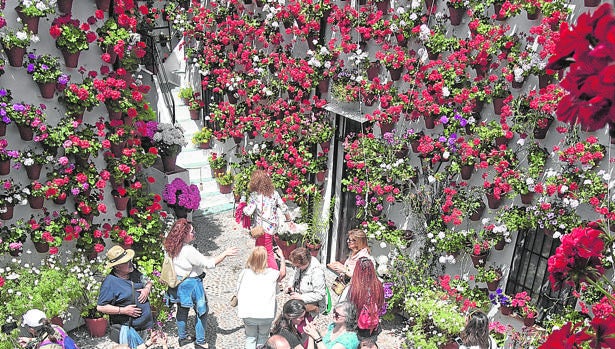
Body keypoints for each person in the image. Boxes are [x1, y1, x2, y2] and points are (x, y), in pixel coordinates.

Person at [163, 218, 239, 349]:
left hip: (179, 283)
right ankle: (200, 341)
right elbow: (209, 263)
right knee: (202, 312)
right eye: (192, 232)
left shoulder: (171, 245)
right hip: (192, 285)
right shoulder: (188, 250)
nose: (194, 233)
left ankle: (183, 337)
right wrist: (225, 253)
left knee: (181, 310)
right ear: (184, 234)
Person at [97, 245, 154, 349]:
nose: (130, 263)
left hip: (143, 325)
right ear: (117, 266)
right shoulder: (110, 282)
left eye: (129, 260)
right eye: (126, 262)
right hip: (128, 329)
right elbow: (101, 307)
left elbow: (148, 281)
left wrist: (147, 289)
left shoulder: (134, 272)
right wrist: (123, 310)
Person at [237, 246, 287, 349]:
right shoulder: (272, 273)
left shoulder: (244, 273)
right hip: (266, 314)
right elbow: (283, 274)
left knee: (250, 338)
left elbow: (238, 290)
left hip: (248, 313)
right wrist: (282, 257)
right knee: (263, 337)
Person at [243, 169, 294, 270]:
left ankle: (274, 274)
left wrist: (243, 205)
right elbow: (283, 207)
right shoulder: (274, 193)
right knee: (260, 250)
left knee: (267, 252)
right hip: (272, 228)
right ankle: (259, 269)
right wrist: (289, 219)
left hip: (262, 229)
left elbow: (248, 211)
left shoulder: (255, 196)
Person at [347, 258, 384, 339]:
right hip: (372, 324)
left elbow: (346, 307)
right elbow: (381, 304)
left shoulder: (354, 288)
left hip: (357, 326)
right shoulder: (378, 285)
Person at [288, 247, 327, 315]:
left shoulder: (317, 272)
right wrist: (290, 285)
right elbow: (294, 275)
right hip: (300, 302)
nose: (296, 268)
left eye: (298, 266)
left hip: (312, 307)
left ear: (305, 263)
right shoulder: (300, 265)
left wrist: (301, 297)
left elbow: (320, 294)